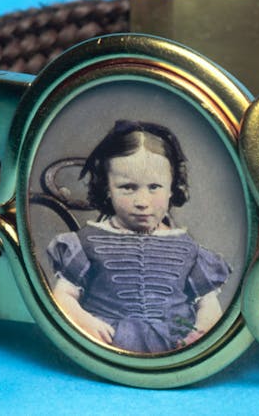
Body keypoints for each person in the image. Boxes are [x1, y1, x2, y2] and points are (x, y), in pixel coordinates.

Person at [46, 120, 230, 353]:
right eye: (128, 187)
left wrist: (200, 333)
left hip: (175, 346)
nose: (142, 202)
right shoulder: (85, 242)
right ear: (107, 188)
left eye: (154, 187)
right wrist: (86, 323)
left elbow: (208, 303)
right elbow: (62, 296)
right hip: (107, 343)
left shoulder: (189, 249)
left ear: (172, 187)